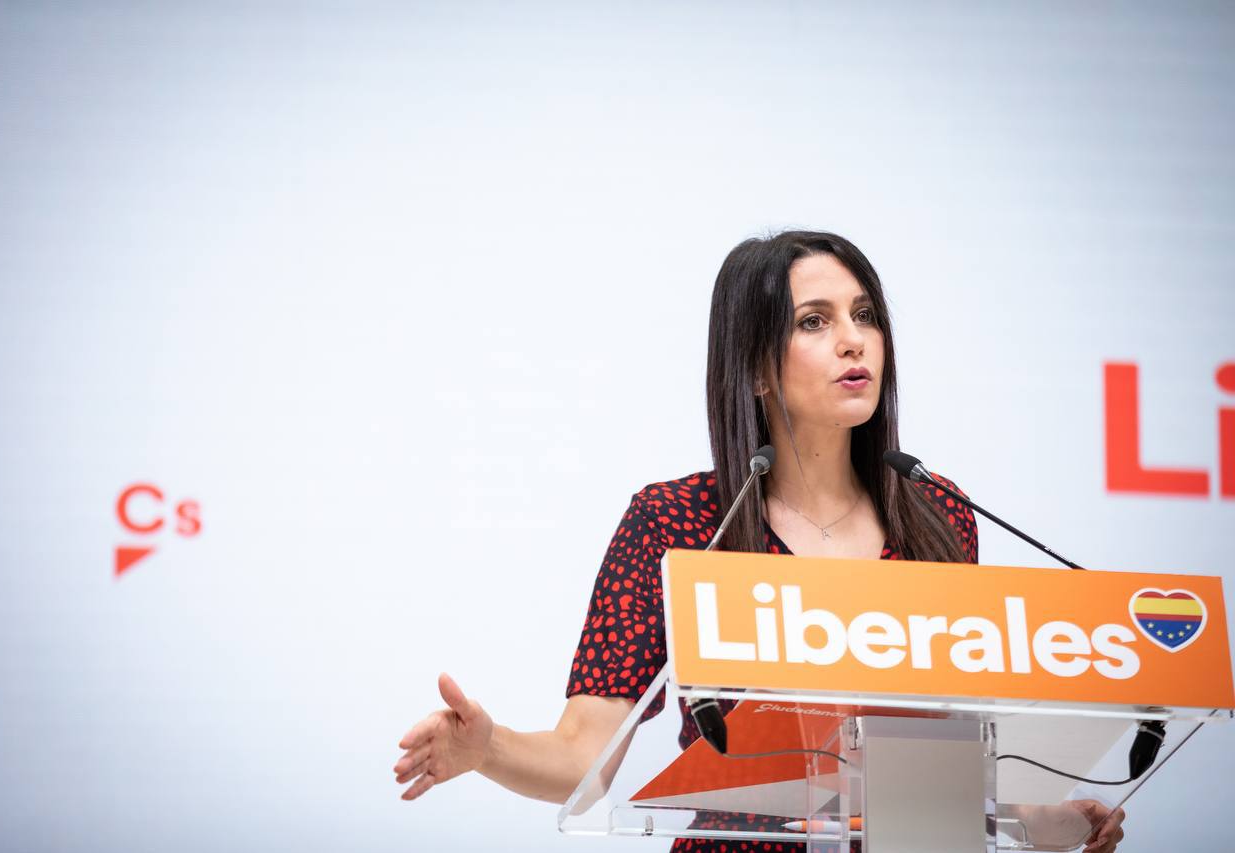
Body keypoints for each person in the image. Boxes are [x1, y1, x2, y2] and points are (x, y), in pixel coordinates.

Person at [394, 231, 1126, 853]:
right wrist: (486, 748)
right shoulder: (679, 523)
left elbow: (947, 750)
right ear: (753, 367)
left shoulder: (938, 515)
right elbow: (584, 753)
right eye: (814, 320)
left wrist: (1042, 818)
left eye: (864, 314)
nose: (853, 338)